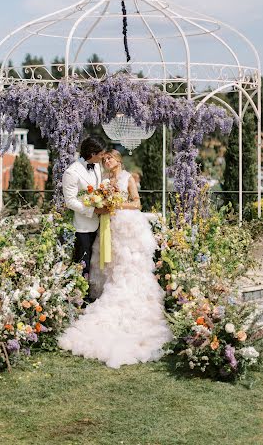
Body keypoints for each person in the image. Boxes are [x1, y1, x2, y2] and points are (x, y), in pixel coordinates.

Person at [58, 149, 172, 369]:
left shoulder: (128, 178)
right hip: (109, 227)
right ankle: (105, 294)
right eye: (104, 159)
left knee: (128, 265)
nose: (106, 161)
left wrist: (115, 204)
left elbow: (137, 203)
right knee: (111, 264)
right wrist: (102, 203)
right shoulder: (104, 179)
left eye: (109, 158)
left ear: (118, 160)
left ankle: (131, 298)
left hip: (126, 225)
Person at [62, 135, 107, 294]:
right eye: (101, 154)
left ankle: (92, 291)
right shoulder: (71, 172)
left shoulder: (96, 167)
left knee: (96, 261)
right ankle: (80, 296)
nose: (103, 157)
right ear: (92, 153)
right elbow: (70, 202)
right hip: (82, 225)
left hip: (99, 223)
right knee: (83, 262)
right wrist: (93, 210)